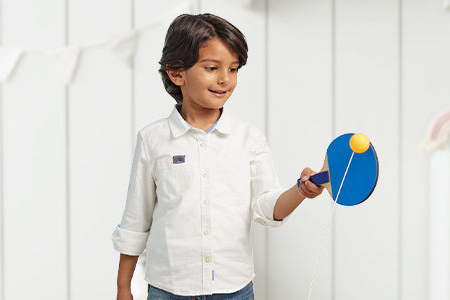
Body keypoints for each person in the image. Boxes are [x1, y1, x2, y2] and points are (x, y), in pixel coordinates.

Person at [112, 13, 323, 300]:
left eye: (234, 69)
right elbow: (136, 220)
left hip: (233, 289)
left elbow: (267, 207)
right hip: (169, 289)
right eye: (212, 67)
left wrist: (301, 191)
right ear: (177, 73)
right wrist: (124, 288)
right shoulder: (153, 140)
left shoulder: (249, 139)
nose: (225, 79)